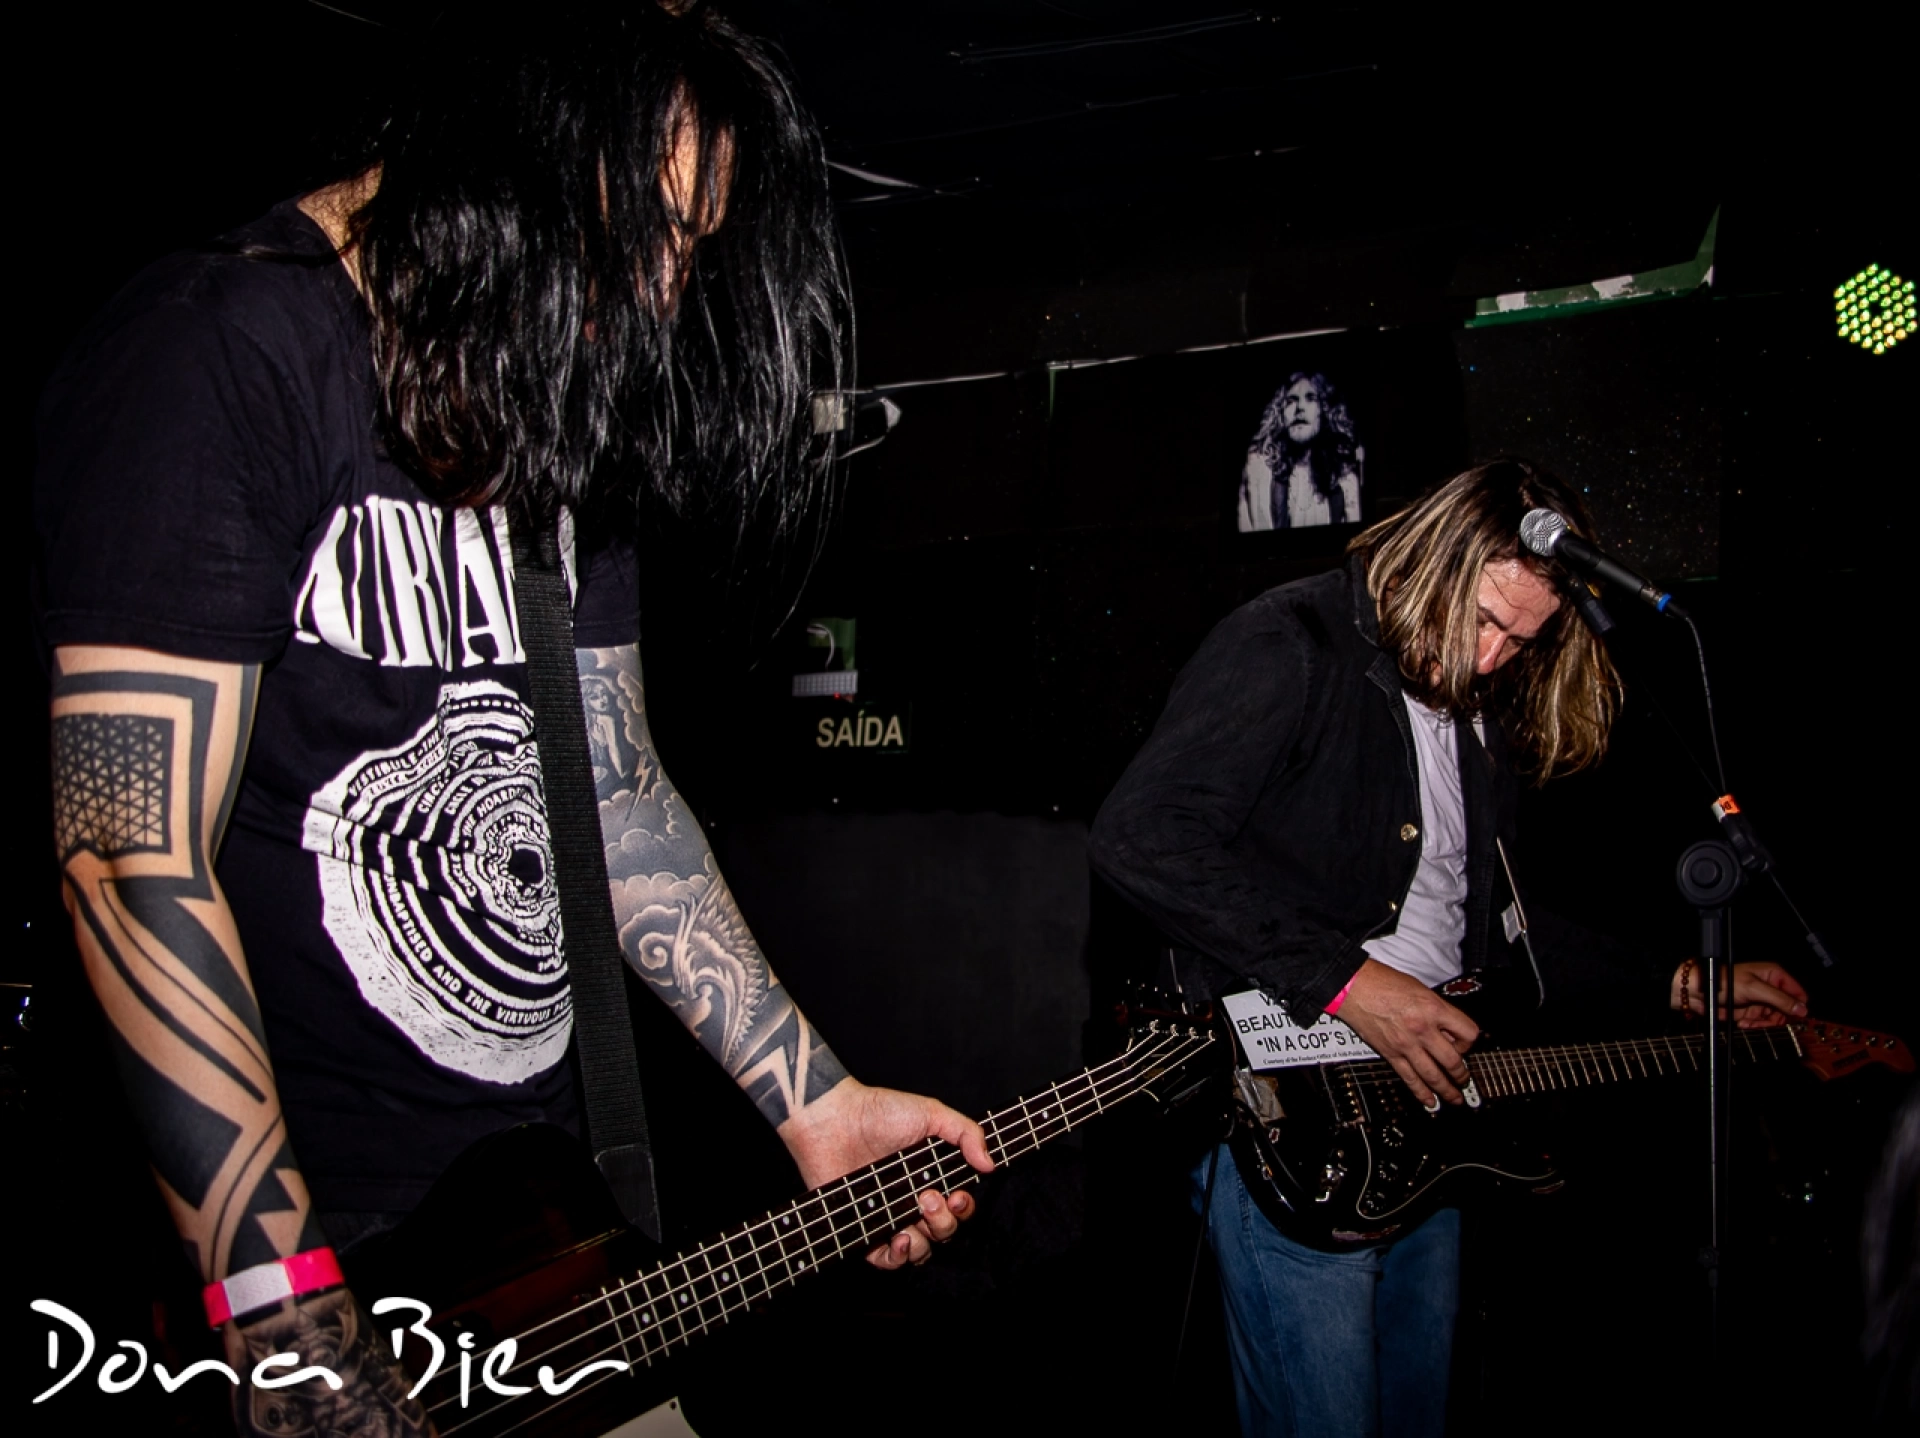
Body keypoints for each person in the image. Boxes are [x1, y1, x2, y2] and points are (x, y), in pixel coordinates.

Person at [35, 8, 988, 1434]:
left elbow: (613, 790)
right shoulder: (221, 351)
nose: (665, 291)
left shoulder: (532, 392)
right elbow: (127, 848)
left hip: (542, 1226)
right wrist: (289, 1327)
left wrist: (815, 1099)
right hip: (324, 1244)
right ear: (511, 149)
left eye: (690, 248)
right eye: (653, 231)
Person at [1091, 459, 1808, 1437]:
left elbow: (1496, 920)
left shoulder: (1474, 718)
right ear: (1434, 559)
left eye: (1522, 640)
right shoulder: (1289, 642)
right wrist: (1349, 983)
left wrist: (1682, 980)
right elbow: (1141, 836)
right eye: (1484, 621)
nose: (1493, 659)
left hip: (1430, 1120)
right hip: (1294, 1115)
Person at [1235, 371, 1363, 531]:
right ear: (1280, 413)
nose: (1300, 408)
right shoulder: (1260, 475)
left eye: (1311, 398)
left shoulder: (1346, 482)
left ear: (1324, 410)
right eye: (1291, 401)